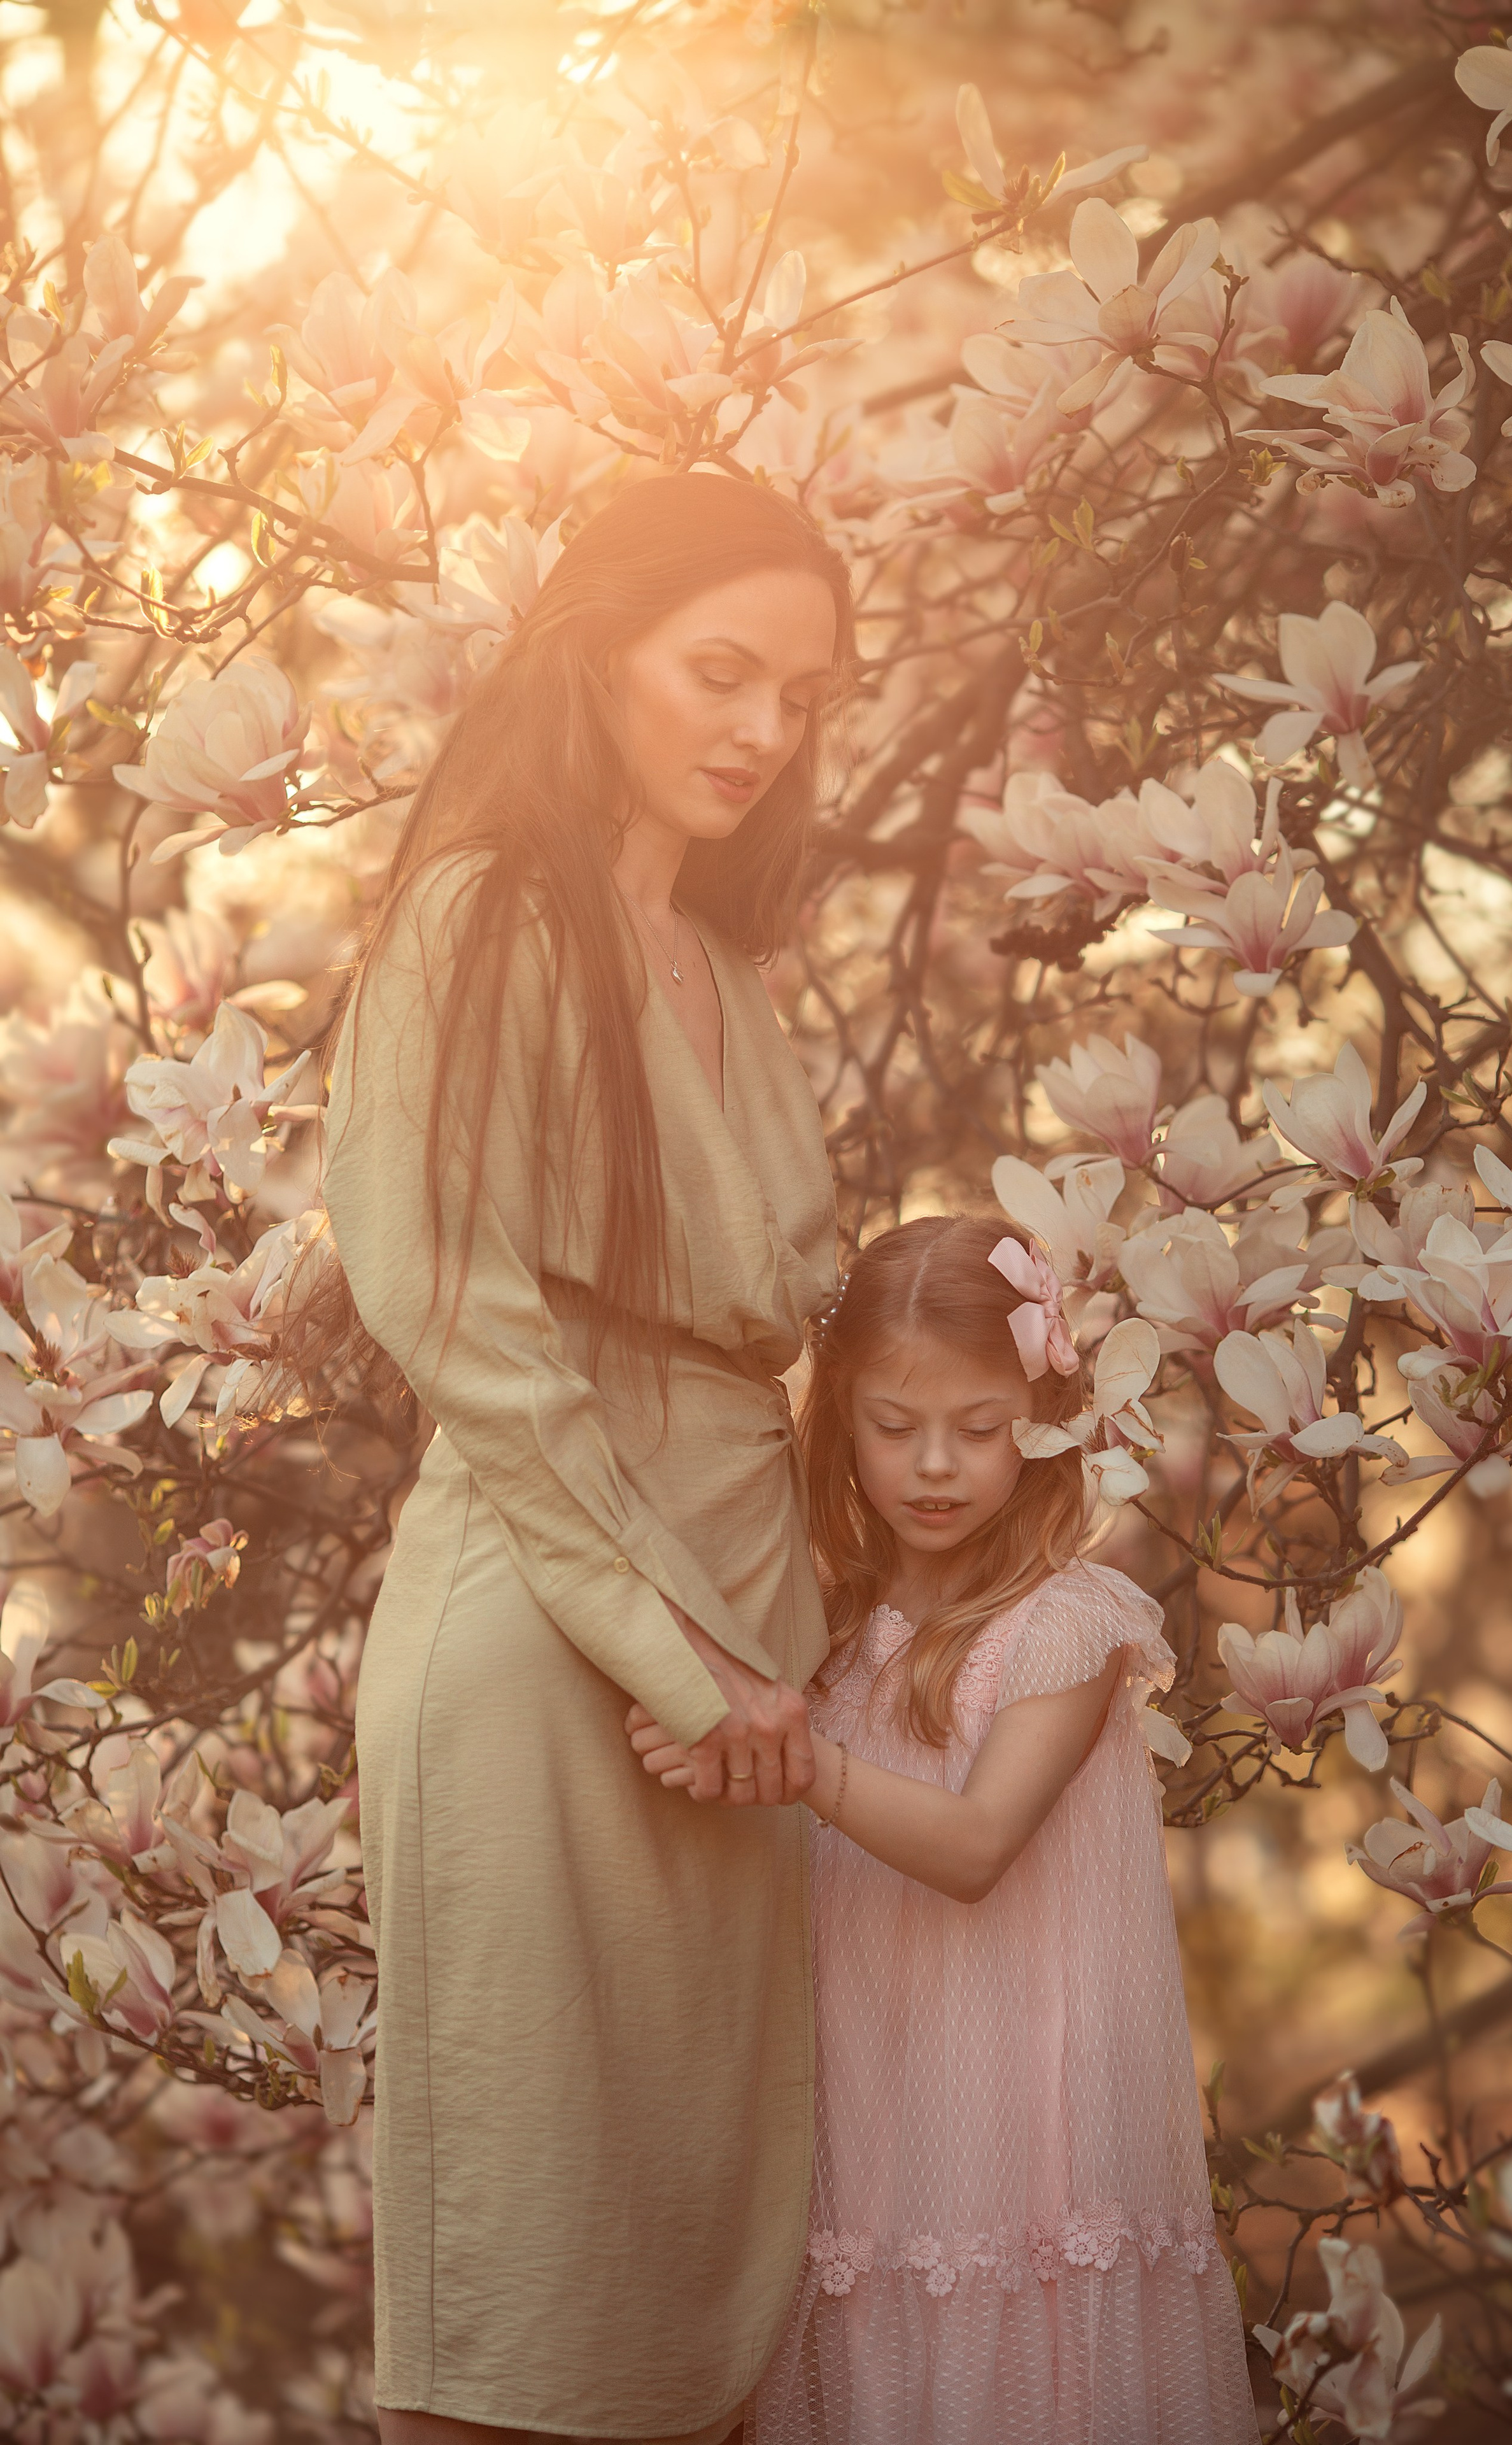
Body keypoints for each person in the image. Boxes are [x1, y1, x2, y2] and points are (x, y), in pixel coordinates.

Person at [318, 472, 852, 2444]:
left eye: (799, 697)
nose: (759, 731)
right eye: (720, 671)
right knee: (533, 2303)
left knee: (717, 2287)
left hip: (748, 1625)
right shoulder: (480, 916)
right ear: (594, 654)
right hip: (560, 1637)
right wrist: (666, 1650)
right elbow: (457, 1313)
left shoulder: (729, 972)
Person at [631, 1215, 1259, 2444]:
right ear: (840, 1421)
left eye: (980, 1430)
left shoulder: (1071, 1626)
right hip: (860, 2144)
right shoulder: (826, 1629)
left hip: (1018, 2159)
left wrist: (797, 1763)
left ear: (1041, 1420)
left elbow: (975, 1848)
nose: (935, 1467)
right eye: (893, 1425)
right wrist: (725, 1756)